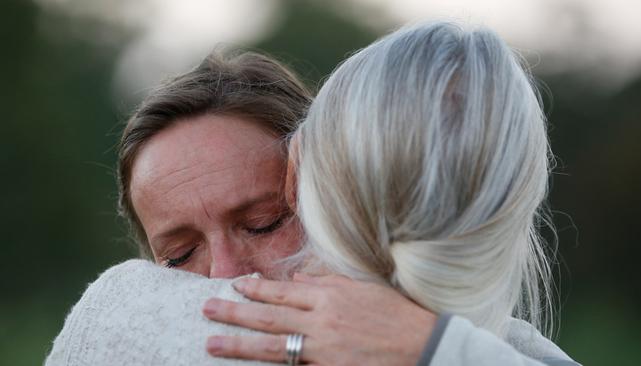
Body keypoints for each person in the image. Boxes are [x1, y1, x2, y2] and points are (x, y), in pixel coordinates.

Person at [46, 22, 579, 366]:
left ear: (343, 200)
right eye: (179, 256)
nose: (228, 277)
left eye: (264, 223)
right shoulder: (124, 324)